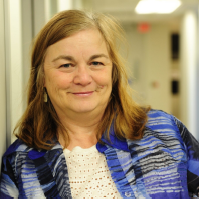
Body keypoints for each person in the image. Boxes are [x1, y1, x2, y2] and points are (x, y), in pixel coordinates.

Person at [0, 10, 199, 199]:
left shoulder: (166, 131)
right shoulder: (20, 162)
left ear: (113, 73)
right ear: (41, 78)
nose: (83, 78)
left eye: (96, 63)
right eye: (66, 65)